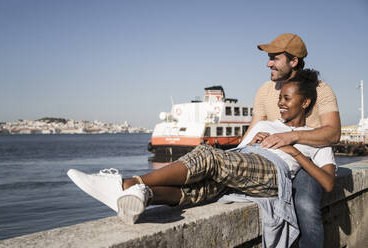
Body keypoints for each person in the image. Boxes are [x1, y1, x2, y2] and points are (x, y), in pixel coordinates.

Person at [67, 69, 337, 247]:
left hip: (272, 172)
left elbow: (326, 183)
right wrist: (254, 141)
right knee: (196, 192)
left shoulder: (316, 137)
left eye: (287, 98)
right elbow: (234, 156)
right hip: (246, 163)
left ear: (304, 103)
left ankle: (124, 184)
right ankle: (143, 194)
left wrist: (293, 149)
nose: (280, 103)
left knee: (208, 156)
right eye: (279, 98)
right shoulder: (264, 126)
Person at [249, 33, 341, 247]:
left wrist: (291, 138)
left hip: (311, 161)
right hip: (276, 162)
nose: (268, 63)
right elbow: (254, 129)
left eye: (274, 58)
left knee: (305, 203)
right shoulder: (264, 91)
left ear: (294, 61)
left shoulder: (321, 90)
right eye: (269, 58)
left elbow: (333, 133)